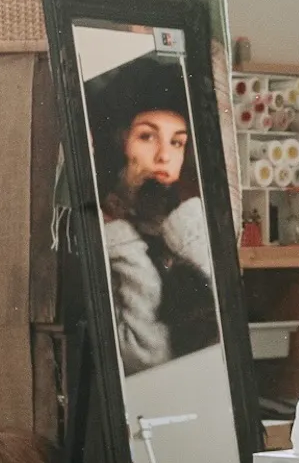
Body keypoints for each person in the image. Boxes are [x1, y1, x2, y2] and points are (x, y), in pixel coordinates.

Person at [84, 53, 220, 373]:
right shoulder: (102, 230)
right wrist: (123, 243)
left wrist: (186, 231)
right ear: (120, 143)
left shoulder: (189, 226)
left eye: (177, 143)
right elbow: (147, 355)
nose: (163, 156)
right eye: (147, 136)